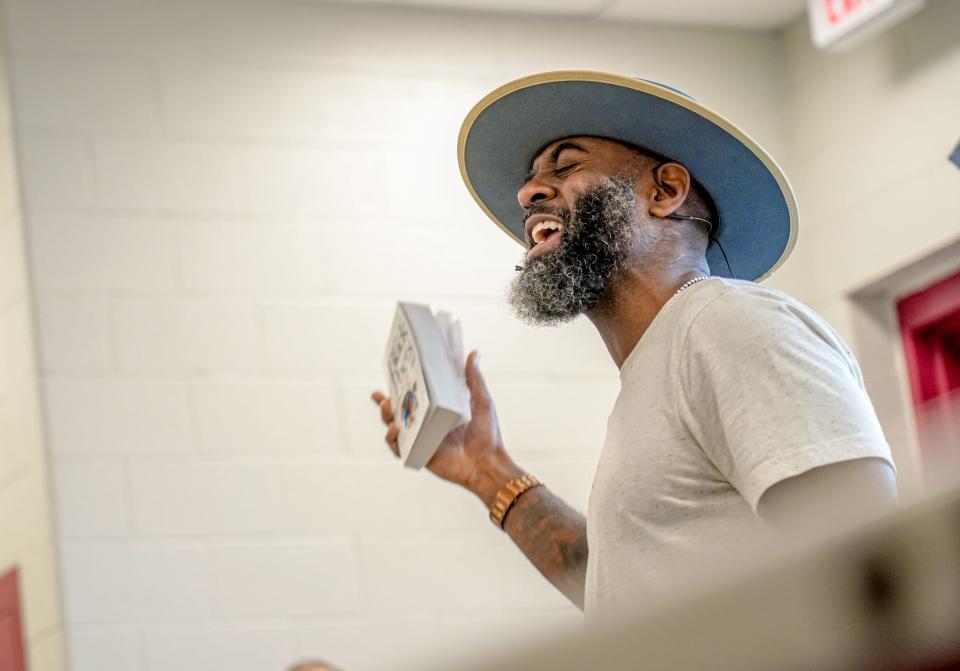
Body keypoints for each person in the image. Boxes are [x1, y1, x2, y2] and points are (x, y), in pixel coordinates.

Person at [371, 72, 897, 620]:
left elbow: (882, 568)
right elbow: (624, 601)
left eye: (566, 164)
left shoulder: (729, 325)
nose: (527, 194)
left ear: (665, 191)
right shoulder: (663, 362)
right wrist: (486, 469)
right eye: (532, 179)